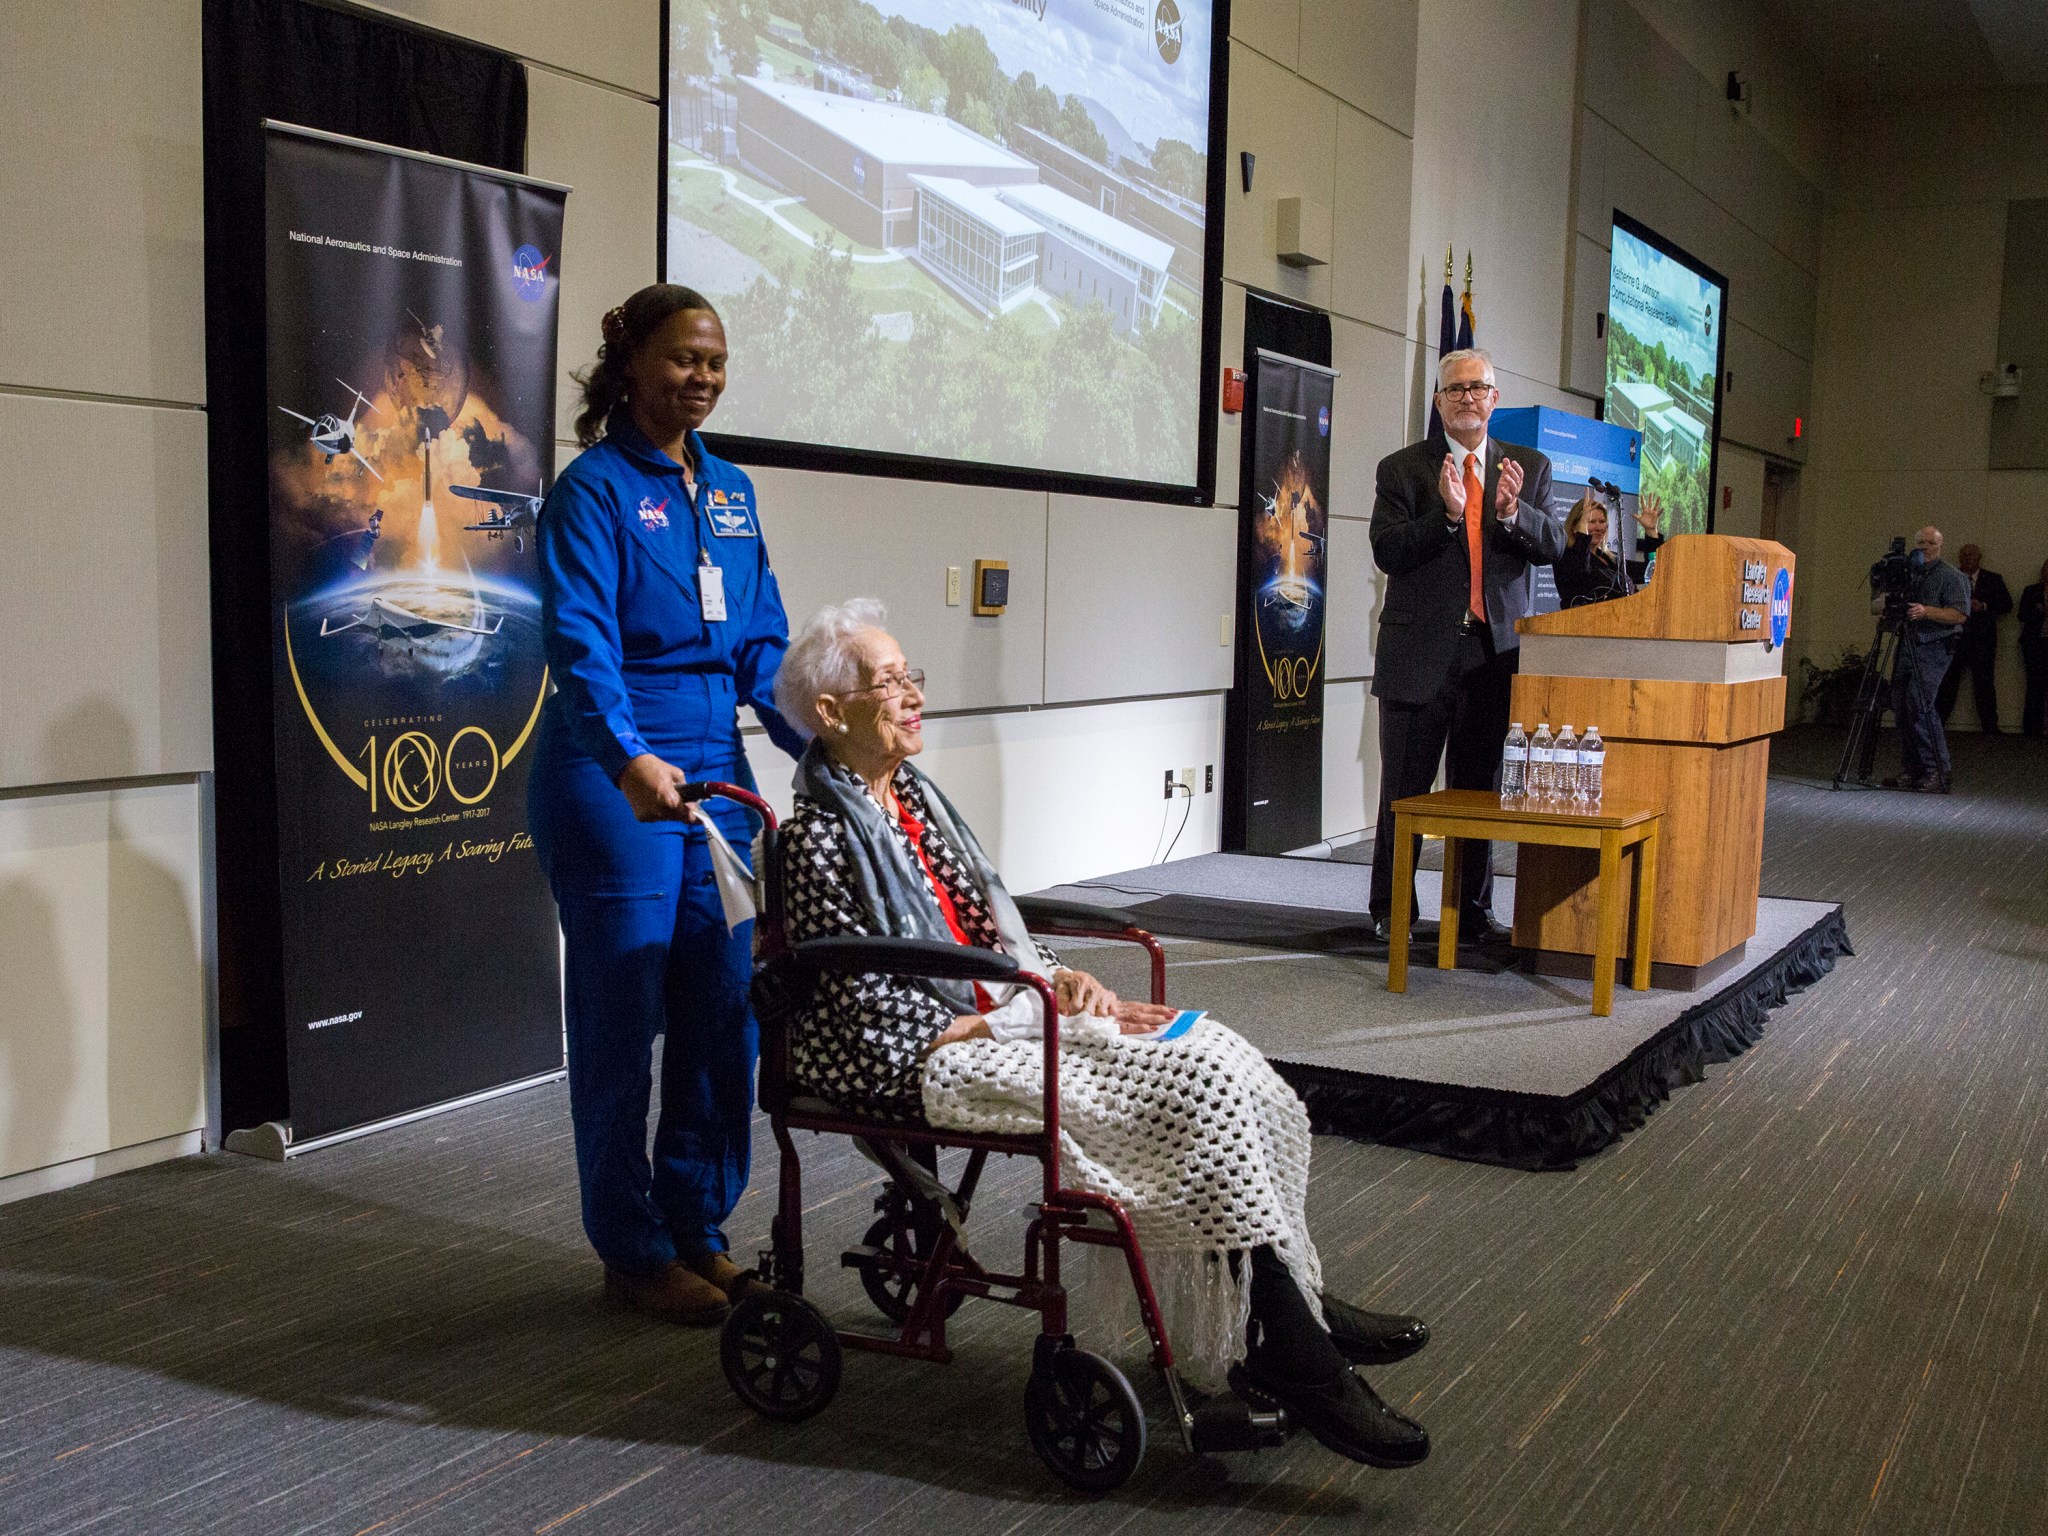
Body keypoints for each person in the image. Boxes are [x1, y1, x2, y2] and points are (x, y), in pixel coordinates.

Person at [769, 599, 1434, 1470]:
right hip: (917, 1055)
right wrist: (1004, 1011)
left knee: (1218, 1055)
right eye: (887, 682)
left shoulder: (916, 805)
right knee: (1181, 1092)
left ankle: (1289, 1298)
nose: (911, 695)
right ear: (829, 711)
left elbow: (984, 926)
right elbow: (856, 996)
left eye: (909, 676)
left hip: (999, 1016)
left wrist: (1058, 976)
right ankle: (1293, 1348)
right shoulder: (818, 837)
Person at [529, 283, 806, 1324]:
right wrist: (626, 755)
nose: (703, 376)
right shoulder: (591, 491)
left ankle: (697, 1227)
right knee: (620, 1018)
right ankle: (631, 1249)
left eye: (716, 361)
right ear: (632, 363)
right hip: (611, 781)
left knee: (721, 1008)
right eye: (685, 358)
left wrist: (815, 730)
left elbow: (761, 642)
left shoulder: (730, 491)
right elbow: (579, 643)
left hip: (714, 778)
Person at [1367, 349, 1567, 944]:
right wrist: (1449, 518)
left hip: (1492, 658)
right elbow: (1388, 550)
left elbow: (1554, 542)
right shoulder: (1401, 469)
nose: (1467, 398)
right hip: (1418, 658)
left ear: (1494, 399)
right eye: (1455, 389)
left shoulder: (1529, 466)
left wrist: (1511, 513)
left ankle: (1471, 912)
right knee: (1403, 792)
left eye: (1478, 388)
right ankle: (1392, 909)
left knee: (1479, 792)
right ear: (1438, 401)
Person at [1874, 526, 1971, 793]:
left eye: (1931, 543)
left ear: (1940, 546)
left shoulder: (1952, 576)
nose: (1925, 547)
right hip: (1907, 644)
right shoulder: (1909, 574)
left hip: (1935, 647)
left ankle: (1937, 770)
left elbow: (1960, 614)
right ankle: (1912, 770)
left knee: (1920, 705)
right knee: (1901, 707)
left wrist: (1926, 611)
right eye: (1921, 543)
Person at [1935, 543, 2012, 732]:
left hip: (1982, 640)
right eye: (1964, 556)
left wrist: (1984, 606)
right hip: (1954, 637)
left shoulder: (1993, 579)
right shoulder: (1950, 577)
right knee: (1947, 683)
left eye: (1970, 555)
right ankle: (1936, 725)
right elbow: (1937, 602)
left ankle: (1990, 727)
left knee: (1984, 684)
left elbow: (2006, 605)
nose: (1967, 559)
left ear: (1979, 558)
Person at [1553, 489, 1663, 608]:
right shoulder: (1565, 555)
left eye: (1602, 522)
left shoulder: (1610, 559)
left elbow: (1650, 572)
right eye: (1591, 521)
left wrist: (1651, 531)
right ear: (1575, 527)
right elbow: (1580, 578)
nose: (1599, 527)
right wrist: (1583, 535)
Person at [2020, 559, 2048, 738]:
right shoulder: (2032, 591)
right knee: (2034, 685)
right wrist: (2037, 612)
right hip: (2035, 643)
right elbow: (2021, 615)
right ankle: (2031, 728)